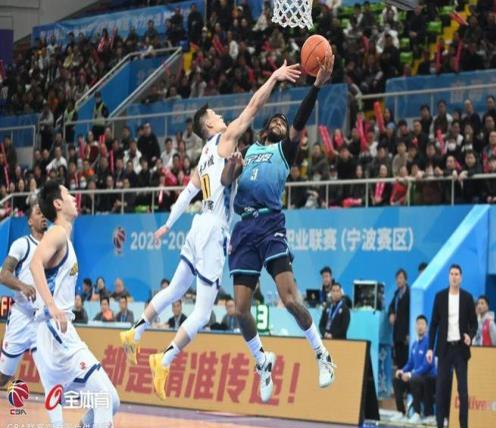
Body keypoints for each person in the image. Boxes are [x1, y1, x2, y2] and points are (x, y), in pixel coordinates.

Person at [120, 61, 301, 400]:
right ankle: (164, 359)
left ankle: (135, 331)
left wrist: (168, 224)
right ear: (209, 124)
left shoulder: (203, 156)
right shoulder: (224, 139)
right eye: (216, 114)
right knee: (203, 313)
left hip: (196, 225)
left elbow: (186, 194)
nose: (221, 116)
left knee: (175, 289)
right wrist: (274, 78)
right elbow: (254, 106)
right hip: (214, 228)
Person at [222, 56, 336, 402]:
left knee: (289, 299)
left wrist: (316, 86)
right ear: (264, 129)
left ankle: (322, 354)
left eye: (283, 123)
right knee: (240, 309)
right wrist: (231, 167)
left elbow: (300, 118)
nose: (280, 122)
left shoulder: (285, 151)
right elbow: (226, 182)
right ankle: (262, 361)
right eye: (275, 120)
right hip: (244, 228)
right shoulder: (248, 150)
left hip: (270, 224)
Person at [30, 181, 119, 428]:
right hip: (55, 331)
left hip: (57, 332)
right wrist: (52, 306)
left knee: (111, 401)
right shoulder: (57, 233)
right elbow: (35, 264)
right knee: (104, 397)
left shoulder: (64, 237)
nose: (73, 197)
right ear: (58, 203)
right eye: (68, 194)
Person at [0, 204, 67, 428]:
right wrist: (22, 286)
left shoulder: (54, 246)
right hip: (21, 317)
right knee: (3, 377)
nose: (43, 216)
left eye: (44, 213)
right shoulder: (22, 244)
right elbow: (4, 274)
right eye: (38, 213)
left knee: (51, 378)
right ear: (29, 221)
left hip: (42, 321)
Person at [427, 264, 477, 428]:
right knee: (441, 389)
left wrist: (470, 336)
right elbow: (433, 324)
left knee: (463, 391)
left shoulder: (467, 298)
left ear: (461, 278)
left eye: (457, 274)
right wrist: (430, 348)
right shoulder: (440, 297)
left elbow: (474, 323)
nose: (454, 277)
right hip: (444, 349)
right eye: (452, 274)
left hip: (460, 350)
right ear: (448, 277)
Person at [392, 315, 436, 424]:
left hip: (429, 378)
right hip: (416, 377)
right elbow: (410, 363)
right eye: (418, 324)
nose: (420, 326)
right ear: (415, 327)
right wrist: (402, 371)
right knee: (397, 380)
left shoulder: (429, 344)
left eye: (422, 324)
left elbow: (427, 365)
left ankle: (417, 413)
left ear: (427, 328)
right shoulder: (414, 344)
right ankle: (401, 412)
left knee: (414, 379)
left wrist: (411, 374)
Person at [389, 269, 411, 369]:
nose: (399, 280)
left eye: (401, 278)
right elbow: (391, 307)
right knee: (398, 364)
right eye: (397, 278)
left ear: (406, 280)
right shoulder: (396, 294)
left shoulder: (410, 294)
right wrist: (391, 313)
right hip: (397, 334)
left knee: (406, 363)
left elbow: (412, 315)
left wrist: (409, 333)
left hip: (406, 335)